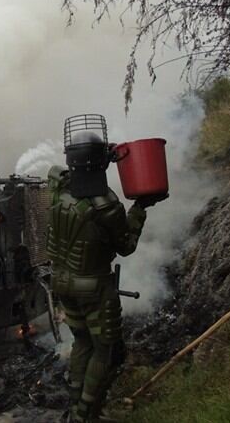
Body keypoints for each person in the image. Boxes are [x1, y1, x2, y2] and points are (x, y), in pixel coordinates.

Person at [46, 114, 164, 423]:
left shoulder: (57, 190)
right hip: (94, 289)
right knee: (104, 349)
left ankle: (73, 407)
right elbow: (126, 246)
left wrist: (96, 157)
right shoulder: (107, 205)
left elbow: (56, 170)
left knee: (81, 341)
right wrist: (140, 208)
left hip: (61, 283)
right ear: (99, 164)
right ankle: (86, 414)